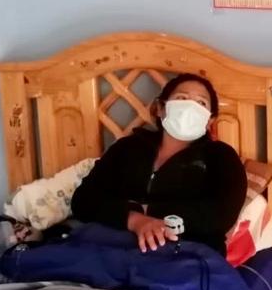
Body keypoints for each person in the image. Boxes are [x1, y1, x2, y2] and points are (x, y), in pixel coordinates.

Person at [71, 73, 246, 254]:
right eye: (181, 98)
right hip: (112, 248)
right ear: (160, 108)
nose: (190, 107)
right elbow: (83, 201)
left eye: (201, 103)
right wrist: (134, 219)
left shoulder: (221, 156)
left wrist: (148, 210)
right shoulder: (127, 147)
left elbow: (222, 215)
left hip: (185, 254)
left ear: (210, 120)